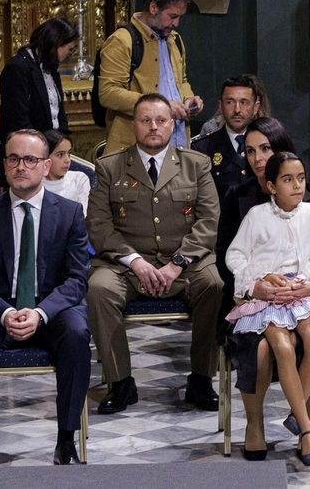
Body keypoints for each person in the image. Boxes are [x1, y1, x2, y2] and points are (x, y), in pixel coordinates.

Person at [0, 129, 92, 467]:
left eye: (30, 160)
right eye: (13, 159)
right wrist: (5, 313)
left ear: (45, 166)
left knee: (77, 334)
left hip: (51, 310)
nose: (20, 167)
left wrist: (40, 313)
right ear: (5, 165)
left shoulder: (70, 212)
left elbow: (76, 280)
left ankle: (66, 441)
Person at [86, 94, 224, 414]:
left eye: (160, 120)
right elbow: (98, 224)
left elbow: (208, 221)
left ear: (172, 125)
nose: (153, 127)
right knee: (99, 289)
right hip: (125, 266)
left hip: (185, 264)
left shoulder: (196, 164)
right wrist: (134, 260)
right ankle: (120, 383)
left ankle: (201, 379)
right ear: (133, 125)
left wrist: (178, 263)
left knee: (214, 285)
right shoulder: (109, 166)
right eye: (145, 120)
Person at [225, 151, 310, 466]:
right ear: (271, 186)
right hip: (271, 297)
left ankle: (297, 413)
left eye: (301, 178)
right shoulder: (257, 216)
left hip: (300, 291)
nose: (297, 185)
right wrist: (258, 280)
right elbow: (234, 256)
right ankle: (305, 427)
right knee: (282, 346)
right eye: (288, 180)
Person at [216, 118, 310, 332]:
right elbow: (225, 257)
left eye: (265, 149)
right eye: (251, 151)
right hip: (251, 297)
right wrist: (253, 288)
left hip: (304, 293)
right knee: (262, 348)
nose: (258, 158)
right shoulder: (238, 196)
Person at [96, 0, 202, 153]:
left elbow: (180, 81)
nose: (176, 23)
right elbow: (108, 93)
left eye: (179, 17)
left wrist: (188, 99)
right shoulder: (122, 40)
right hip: (136, 148)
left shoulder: (175, 40)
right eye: (172, 16)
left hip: (176, 142)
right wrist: (163, 107)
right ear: (153, 8)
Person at [0, 17, 81, 176]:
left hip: (52, 155)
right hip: (27, 158)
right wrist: (44, 149)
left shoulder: (51, 68)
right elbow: (18, 121)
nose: (69, 55)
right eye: (69, 49)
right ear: (57, 43)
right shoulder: (18, 68)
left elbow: (58, 113)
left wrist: (61, 146)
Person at [191, 75, 264, 201]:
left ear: (255, 107)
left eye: (244, 102)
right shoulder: (202, 148)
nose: (237, 110)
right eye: (230, 102)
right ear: (221, 106)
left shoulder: (269, 143)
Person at [43, 129, 92, 214]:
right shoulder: (35, 182)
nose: (67, 160)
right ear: (45, 157)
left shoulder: (79, 179)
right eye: (60, 155)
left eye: (69, 154)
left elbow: (82, 215)